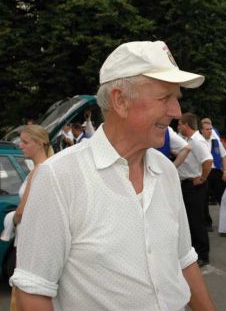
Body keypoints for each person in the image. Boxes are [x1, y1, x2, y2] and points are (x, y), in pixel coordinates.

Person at [11, 40, 215, 311]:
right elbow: (33, 291)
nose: (176, 112)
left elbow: (183, 260)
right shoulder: (59, 177)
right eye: (165, 97)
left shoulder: (166, 171)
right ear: (120, 100)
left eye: (176, 98)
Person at [7, 125, 54, 311]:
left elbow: (21, 211)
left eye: (25, 142)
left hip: (30, 245)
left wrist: (13, 221)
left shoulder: (41, 170)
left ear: (40, 143)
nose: (20, 145)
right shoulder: (43, 168)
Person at [177, 113, 213, 267]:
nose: (178, 127)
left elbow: (208, 161)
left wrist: (203, 178)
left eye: (179, 124)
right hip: (187, 184)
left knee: (196, 221)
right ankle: (194, 251)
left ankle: (203, 254)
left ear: (186, 125)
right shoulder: (188, 140)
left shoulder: (198, 141)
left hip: (195, 185)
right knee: (190, 220)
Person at [200, 118, 226, 231]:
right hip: (204, 172)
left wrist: (225, 171)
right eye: (207, 129)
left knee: (224, 198)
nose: (210, 131)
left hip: (216, 172)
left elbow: (224, 156)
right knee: (203, 200)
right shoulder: (198, 141)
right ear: (201, 130)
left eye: (211, 128)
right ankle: (207, 223)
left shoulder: (215, 140)